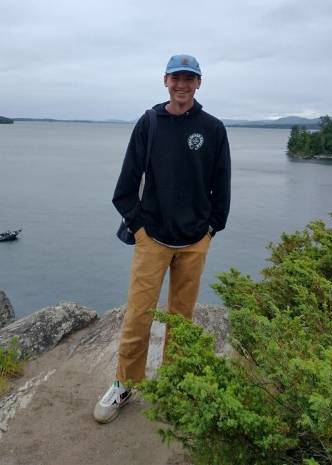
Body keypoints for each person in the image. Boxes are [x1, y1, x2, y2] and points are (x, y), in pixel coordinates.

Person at [93, 54, 231, 424]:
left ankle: (173, 385)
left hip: (193, 241)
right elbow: (124, 188)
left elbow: (222, 186)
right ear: (165, 81)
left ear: (199, 84)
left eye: (190, 78)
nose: (182, 85)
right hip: (152, 237)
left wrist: (211, 228)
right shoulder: (149, 123)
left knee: (181, 319)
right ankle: (124, 384)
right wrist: (139, 228)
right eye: (176, 78)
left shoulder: (214, 129)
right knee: (139, 314)